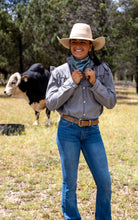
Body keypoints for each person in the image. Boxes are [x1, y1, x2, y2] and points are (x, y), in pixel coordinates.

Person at [46, 23, 116, 220]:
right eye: (74, 42)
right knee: (70, 182)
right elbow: (50, 104)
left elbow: (110, 102)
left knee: (104, 182)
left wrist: (95, 83)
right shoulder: (60, 72)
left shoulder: (102, 71)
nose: (78, 46)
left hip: (93, 132)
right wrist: (71, 82)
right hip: (67, 131)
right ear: (69, 45)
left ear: (90, 46)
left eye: (83, 42)